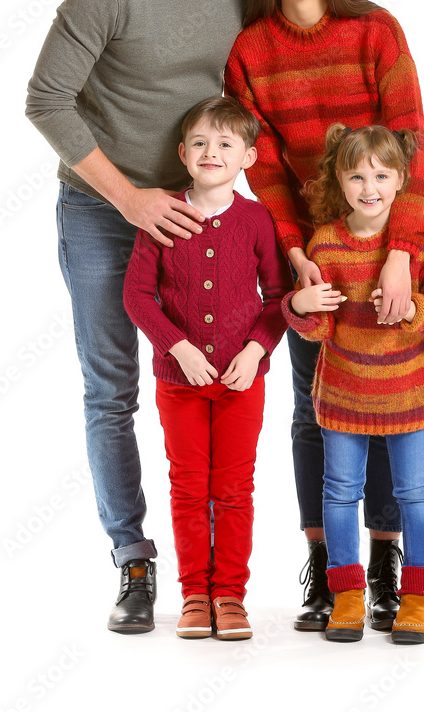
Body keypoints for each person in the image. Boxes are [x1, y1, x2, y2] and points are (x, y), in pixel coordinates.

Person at [25, 0, 257, 632]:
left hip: (201, 213)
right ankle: (134, 560)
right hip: (104, 210)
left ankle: (218, 573)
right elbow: (45, 100)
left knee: (222, 376)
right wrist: (129, 201)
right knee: (112, 389)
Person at [224, 0, 424, 631]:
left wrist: (403, 255)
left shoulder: (375, 33)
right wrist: (293, 255)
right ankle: (327, 562)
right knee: (314, 410)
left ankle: (384, 559)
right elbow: (268, 169)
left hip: (386, 239)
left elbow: (412, 152)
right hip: (314, 254)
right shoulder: (251, 52)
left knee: (389, 403)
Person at [282, 123, 424, 642]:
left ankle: (416, 599)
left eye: (382, 176)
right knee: (340, 493)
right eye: (356, 176)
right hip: (343, 396)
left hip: (411, 394)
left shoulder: (420, 244)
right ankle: (345, 594)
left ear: (401, 179)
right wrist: (298, 307)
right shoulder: (327, 243)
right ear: (337, 181)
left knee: (416, 493)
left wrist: (415, 309)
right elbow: (320, 328)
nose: (369, 188)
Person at [123, 96, 291, 640]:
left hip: (244, 382)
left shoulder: (257, 218)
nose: (210, 151)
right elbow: (138, 297)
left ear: (248, 156)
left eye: (224, 143)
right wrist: (177, 347)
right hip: (180, 384)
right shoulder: (162, 214)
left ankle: (231, 597)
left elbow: (279, 296)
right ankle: (195, 593)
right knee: (189, 487)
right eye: (199, 142)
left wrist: (256, 350)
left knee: (235, 488)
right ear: (182, 152)